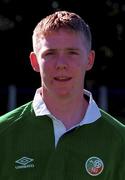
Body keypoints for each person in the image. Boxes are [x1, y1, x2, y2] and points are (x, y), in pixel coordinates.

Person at [0, 10, 125, 180]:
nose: (61, 64)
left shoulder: (120, 142)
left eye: (72, 53)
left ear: (89, 59)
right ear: (35, 61)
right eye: (50, 54)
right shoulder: (4, 133)